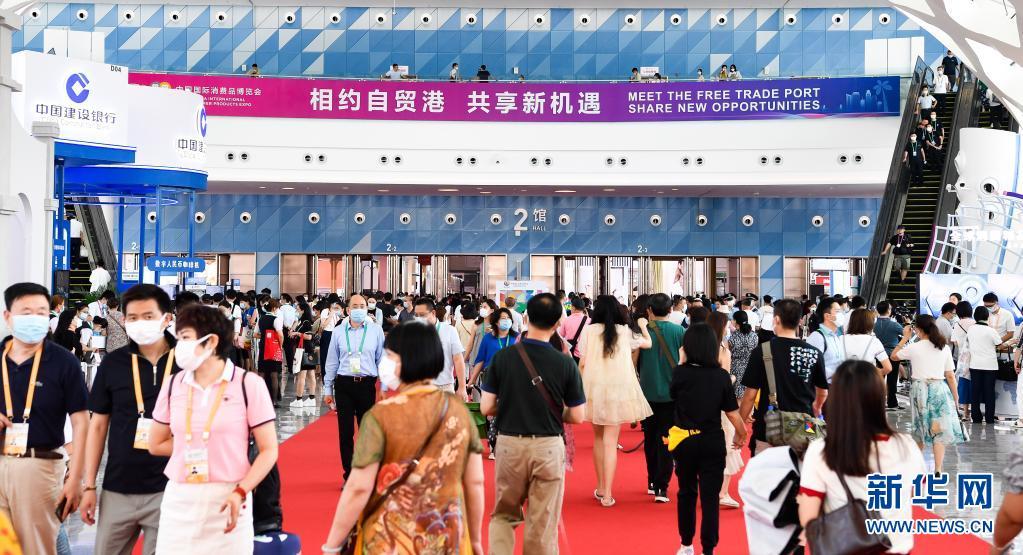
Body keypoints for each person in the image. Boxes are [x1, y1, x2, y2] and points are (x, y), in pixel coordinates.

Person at [320, 320, 484, 554]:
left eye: (389, 356)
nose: (385, 363)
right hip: (446, 539)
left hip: (389, 539)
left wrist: (333, 545)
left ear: (405, 361)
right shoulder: (460, 413)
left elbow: (358, 487)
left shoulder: (381, 415)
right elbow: (475, 482)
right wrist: (475, 540)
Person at [148, 304, 278, 553]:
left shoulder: (248, 384)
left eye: (185, 338)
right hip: (180, 499)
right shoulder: (173, 384)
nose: (179, 346)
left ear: (211, 341)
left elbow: (269, 449)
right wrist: (197, 446)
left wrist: (241, 490)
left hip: (230, 496)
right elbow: (156, 443)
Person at [481, 293, 586, 555]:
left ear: (526, 318)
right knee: (543, 521)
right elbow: (577, 416)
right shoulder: (565, 363)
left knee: (504, 514)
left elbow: (486, 407)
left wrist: (512, 405)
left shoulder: (503, 358)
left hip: (510, 444)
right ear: (557, 323)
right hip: (548, 446)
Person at [79, 284, 179, 555]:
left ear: (167, 318)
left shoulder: (185, 362)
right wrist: (89, 485)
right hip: (118, 487)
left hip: (171, 488)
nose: (140, 323)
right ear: (123, 320)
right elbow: (98, 426)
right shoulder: (113, 363)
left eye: (148, 316)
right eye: (133, 317)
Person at [797, 360, 925, 555]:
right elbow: (915, 493)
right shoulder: (906, 446)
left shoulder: (822, 450)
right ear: (879, 398)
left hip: (844, 547)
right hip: (896, 547)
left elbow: (808, 517)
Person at [0, 283, 88, 555]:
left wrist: (77, 477)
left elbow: (81, 421)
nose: (35, 318)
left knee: (36, 547)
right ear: (8, 316)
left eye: (41, 312)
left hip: (40, 466)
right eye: (26, 312)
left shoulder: (63, 362)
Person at [671, 323, 746, 555]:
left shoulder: (679, 373)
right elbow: (732, 413)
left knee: (686, 492)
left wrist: (682, 361)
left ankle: (686, 545)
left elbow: (672, 395)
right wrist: (742, 433)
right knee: (710, 498)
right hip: (712, 441)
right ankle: (708, 549)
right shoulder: (721, 376)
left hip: (684, 441)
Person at [578, 295, 653, 507]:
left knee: (598, 439)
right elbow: (648, 344)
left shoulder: (589, 331)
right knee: (610, 442)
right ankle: (608, 494)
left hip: (594, 389)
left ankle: (601, 486)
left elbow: (582, 362)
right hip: (618, 391)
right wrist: (643, 326)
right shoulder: (625, 331)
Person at [739, 298, 828, 454]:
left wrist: (739, 429)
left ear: (776, 320)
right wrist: (817, 407)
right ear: (800, 321)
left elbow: (749, 396)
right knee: (801, 468)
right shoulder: (814, 353)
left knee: (766, 469)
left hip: (769, 428)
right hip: (805, 428)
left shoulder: (762, 351)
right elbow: (822, 392)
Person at [891, 314, 964, 474]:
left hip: (920, 389)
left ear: (918, 329)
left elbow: (894, 356)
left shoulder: (914, 347)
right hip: (939, 388)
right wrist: (956, 396)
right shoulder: (943, 347)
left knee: (920, 428)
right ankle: (937, 468)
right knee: (938, 429)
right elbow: (950, 375)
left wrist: (905, 338)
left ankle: (918, 467)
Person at [322, 295, 385, 481]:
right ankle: (349, 474)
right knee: (346, 432)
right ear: (348, 310)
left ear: (367, 309)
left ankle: (366, 472)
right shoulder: (338, 332)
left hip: (366, 385)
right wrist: (328, 389)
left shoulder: (375, 330)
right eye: (355, 306)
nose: (359, 309)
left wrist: (384, 386)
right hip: (344, 385)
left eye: (362, 306)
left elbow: (382, 359)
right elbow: (331, 362)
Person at [638, 293, 684, 504]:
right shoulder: (680, 331)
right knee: (667, 439)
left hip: (646, 394)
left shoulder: (643, 331)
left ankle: (651, 480)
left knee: (650, 438)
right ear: (670, 309)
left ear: (649, 310)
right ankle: (661, 487)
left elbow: (634, 362)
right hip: (672, 394)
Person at [413, 298, 467, 398]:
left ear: (433, 313)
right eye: (416, 315)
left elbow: (458, 360)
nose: (419, 318)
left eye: (422, 315)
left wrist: (462, 387)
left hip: (444, 387)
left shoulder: (449, 331)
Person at [966, 306, 1003, 424]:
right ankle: (989, 418)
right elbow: (999, 344)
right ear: (987, 316)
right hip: (990, 366)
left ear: (975, 316)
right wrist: (1011, 343)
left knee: (975, 392)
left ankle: (976, 417)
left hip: (975, 364)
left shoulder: (971, 329)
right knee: (989, 392)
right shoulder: (991, 330)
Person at [841, 308, 893, 377]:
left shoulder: (840, 339)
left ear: (851, 321)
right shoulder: (874, 341)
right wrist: (872, 372)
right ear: (871, 323)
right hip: (865, 380)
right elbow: (888, 368)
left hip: (842, 379)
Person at [805, 297, 846, 383]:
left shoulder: (835, 336)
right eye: (837, 311)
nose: (841, 314)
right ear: (827, 316)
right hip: (825, 387)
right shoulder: (817, 337)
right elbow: (810, 367)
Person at [875, 301, 905, 410]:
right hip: (893, 354)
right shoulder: (894, 324)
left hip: (878, 355)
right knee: (892, 379)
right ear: (889, 310)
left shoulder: (873, 324)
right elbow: (905, 334)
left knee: (879, 378)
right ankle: (892, 402)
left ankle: (878, 402)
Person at [288, 302, 317, 409]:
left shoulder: (306, 322)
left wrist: (297, 333)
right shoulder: (303, 321)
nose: (296, 311)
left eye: (298, 309)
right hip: (309, 350)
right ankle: (311, 398)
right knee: (311, 374)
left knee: (302, 376)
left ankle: (299, 400)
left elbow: (309, 337)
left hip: (304, 350)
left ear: (303, 310)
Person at [258, 299, 284, 408]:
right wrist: (280, 346)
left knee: (262, 373)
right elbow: (280, 335)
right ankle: (274, 401)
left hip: (263, 347)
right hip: (273, 348)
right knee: (274, 374)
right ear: (274, 308)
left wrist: (265, 337)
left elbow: (256, 334)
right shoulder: (276, 319)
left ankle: (260, 400)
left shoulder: (261, 319)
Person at [557, 297, 589, 362]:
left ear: (573, 308)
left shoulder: (566, 320)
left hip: (570, 354)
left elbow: (560, 336)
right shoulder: (589, 321)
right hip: (585, 355)